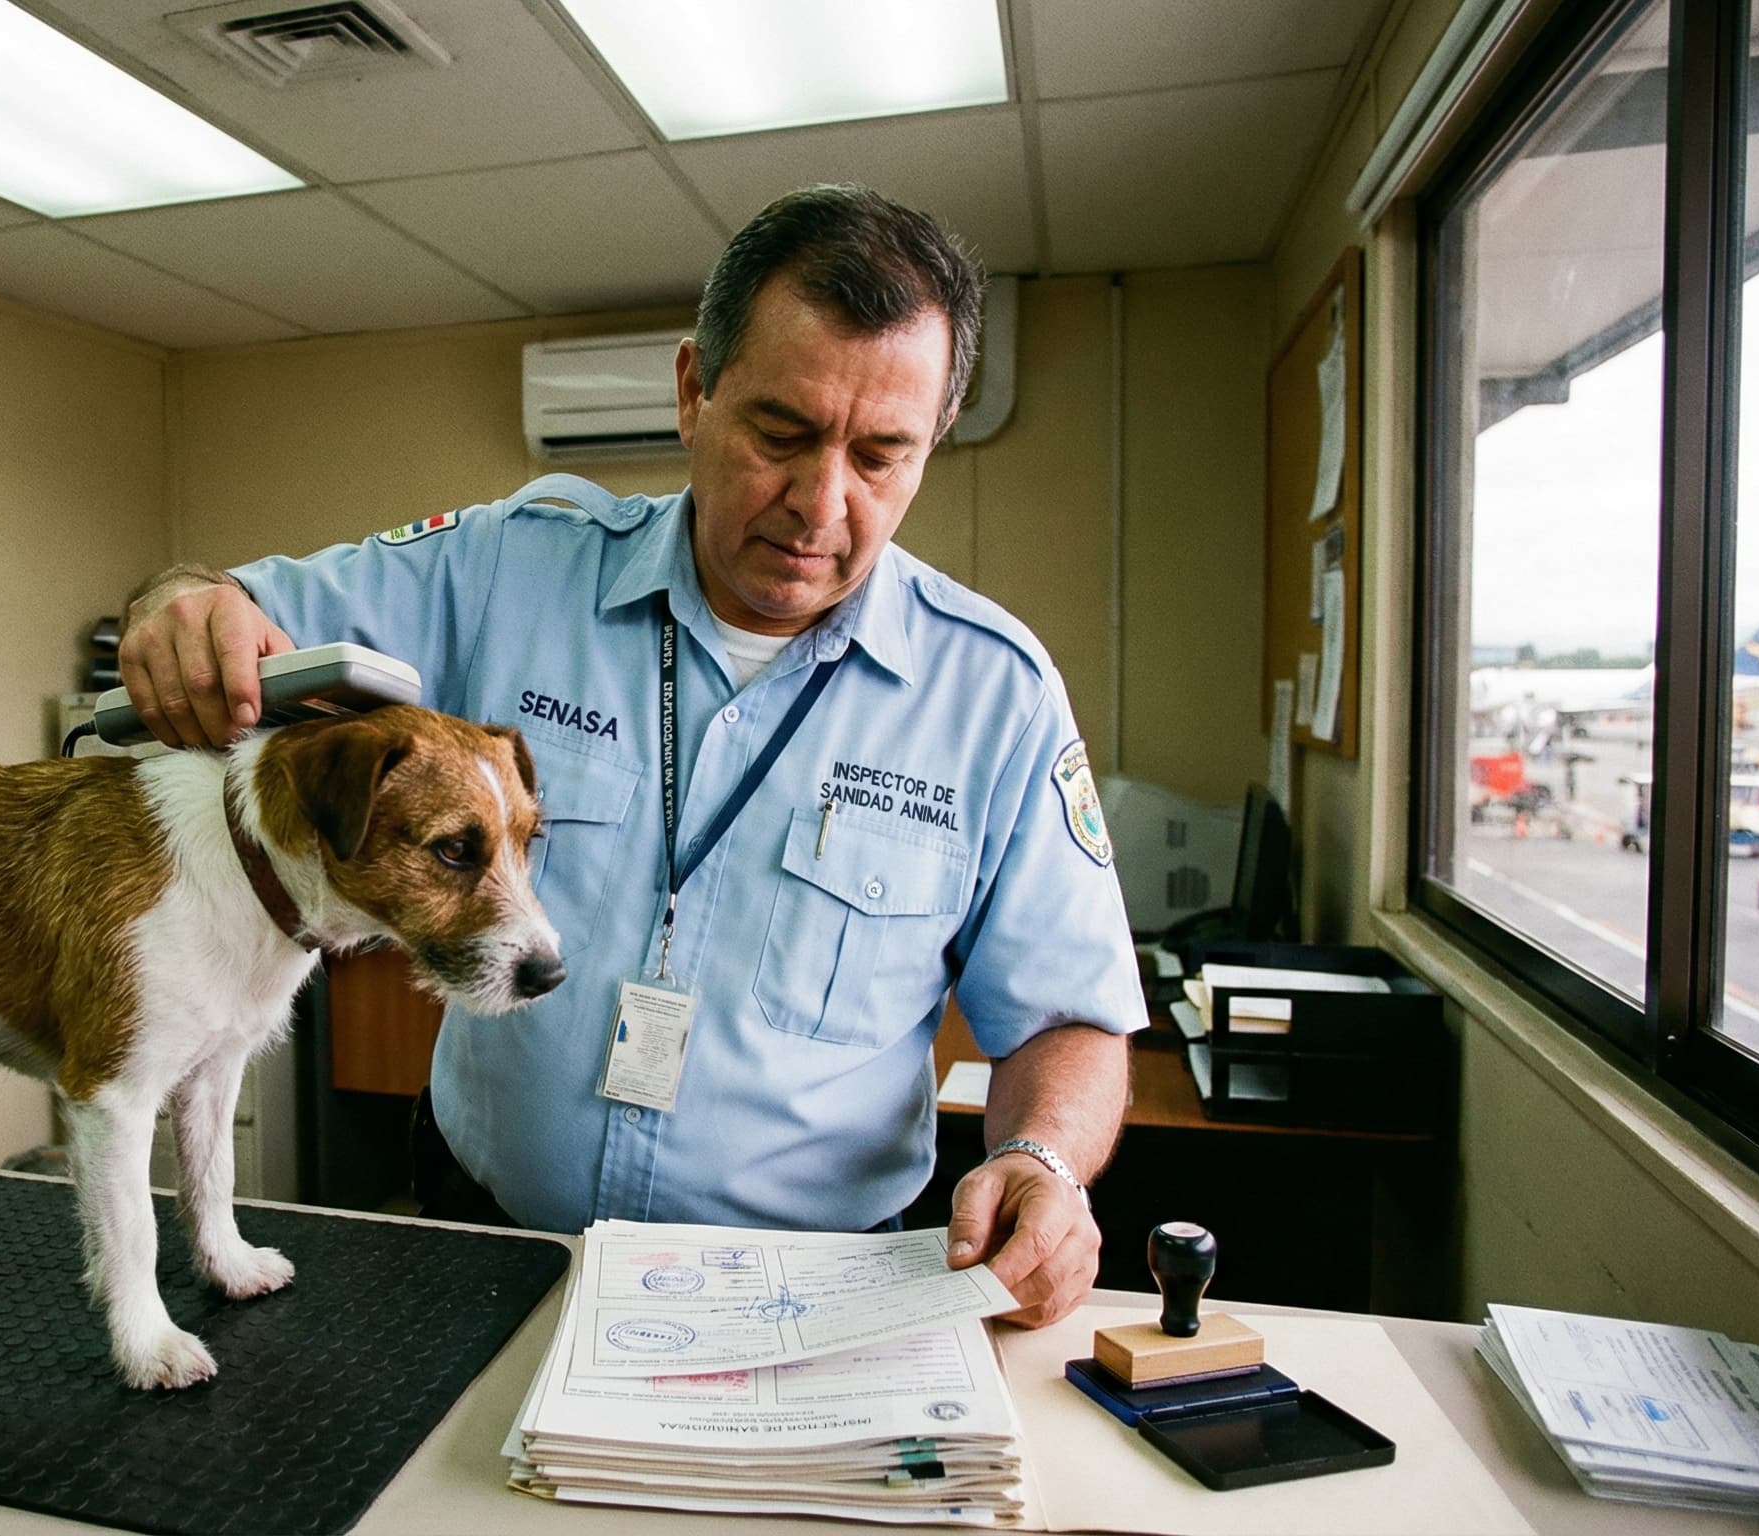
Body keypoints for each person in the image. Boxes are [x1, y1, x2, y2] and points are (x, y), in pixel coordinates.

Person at [117, 184, 1141, 1327]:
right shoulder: (513, 565)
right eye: (782, 434)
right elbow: (236, 602)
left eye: (880, 457)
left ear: (928, 447)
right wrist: (183, 605)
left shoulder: (992, 694)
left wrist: (1046, 1164)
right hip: (486, 1244)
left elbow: (1067, 1018)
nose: (820, 503)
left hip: (812, 1297)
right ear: (694, 391)